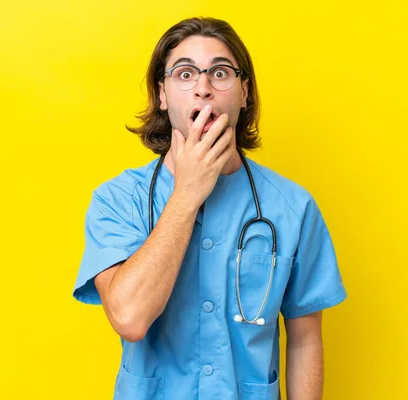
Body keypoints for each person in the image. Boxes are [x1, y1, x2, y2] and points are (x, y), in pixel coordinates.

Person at [73, 17, 347, 400]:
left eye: (219, 73)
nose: (203, 88)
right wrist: (187, 193)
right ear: (162, 94)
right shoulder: (117, 200)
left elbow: (304, 341)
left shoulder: (292, 207)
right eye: (185, 74)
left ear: (244, 91)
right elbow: (129, 319)